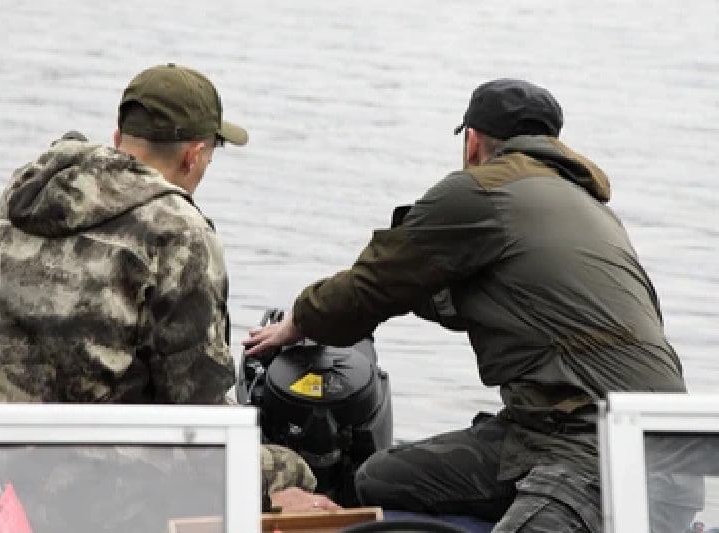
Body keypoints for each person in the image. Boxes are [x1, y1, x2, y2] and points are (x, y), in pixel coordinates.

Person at [244, 78, 692, 531]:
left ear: (473, 141)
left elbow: (371, 285)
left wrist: (299, 321)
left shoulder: (481, 191)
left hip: (591, 447)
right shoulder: (591, 210)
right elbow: (452, 297)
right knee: (378, 480)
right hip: (645, 445)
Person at [0, 63, 337, 515]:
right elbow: (199, 416)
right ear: (193, 155)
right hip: (57, 474)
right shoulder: (179, 232)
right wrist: (270, 487)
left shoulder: (26, 191)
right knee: (293, 471)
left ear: (119, 138)